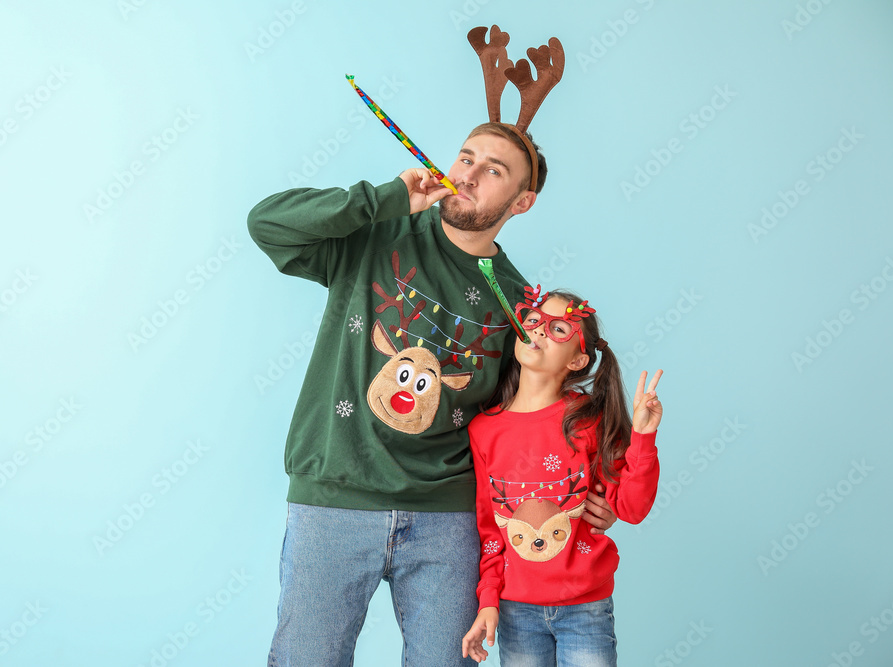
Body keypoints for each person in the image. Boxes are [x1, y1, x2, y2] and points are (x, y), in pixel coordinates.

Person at [247, 123, 620, 666]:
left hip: (449, 522)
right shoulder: (378, 233)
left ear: (522, 202)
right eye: (466, 157)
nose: (468, 174)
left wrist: (588, 489)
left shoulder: (517, 302)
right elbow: (267, 224)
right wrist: (384, 199)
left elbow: (526, 418)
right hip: (335, 498)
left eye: (494, 170)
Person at [461, 288, 663, 666]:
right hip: (516, 612)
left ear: (578, 360)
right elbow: (490, 530)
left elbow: (632, 508)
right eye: (534, 320)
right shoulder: (484, 430)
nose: (538, 331)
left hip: (586, 609)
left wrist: (644, 437)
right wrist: (488, 600)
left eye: (558, 329)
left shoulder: (588, 419)